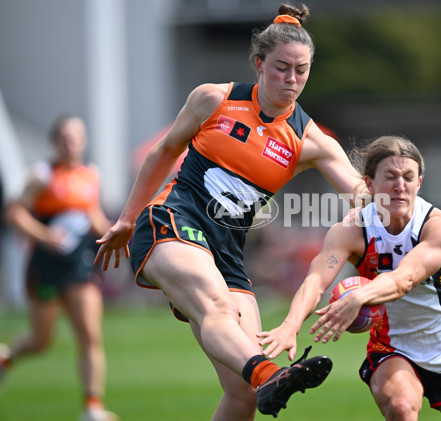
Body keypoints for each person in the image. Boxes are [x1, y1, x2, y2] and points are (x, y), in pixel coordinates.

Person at [94, 4, 364, 420]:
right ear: (259, 64)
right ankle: (271, 373)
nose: (291, 80)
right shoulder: (213, 99)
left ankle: (263, 377)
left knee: (241, 395)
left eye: (301, 70)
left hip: (227, 251)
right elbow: (164, 151)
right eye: (281, 68)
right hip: (173, 219)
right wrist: (127, 219)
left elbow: (361, 196)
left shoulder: (311, 141)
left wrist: (408, 204)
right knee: (219, 312)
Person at [258, 136, 441, 421]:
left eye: (408, 177)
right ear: (370, 184)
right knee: (401, 408)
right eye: (390, 177)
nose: (399, 186)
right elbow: (317, 279)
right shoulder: (352, 230)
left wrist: (358, 297)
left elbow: (405, 278)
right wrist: (290, 325)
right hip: (392, 349)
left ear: (419, 183)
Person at [1, 115, 119, 421]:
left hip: (78, 263)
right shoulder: (42, 175)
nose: (72, 143)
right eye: (66, 137)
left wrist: (112, 234)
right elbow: (14, 213)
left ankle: (92, 407)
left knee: (90, 334)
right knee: (42, 341)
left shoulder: (91, 174)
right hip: (45, 264)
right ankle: (6, 357)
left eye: (77, 136)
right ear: (55, 142)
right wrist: (44, 236)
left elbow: (90, 212)